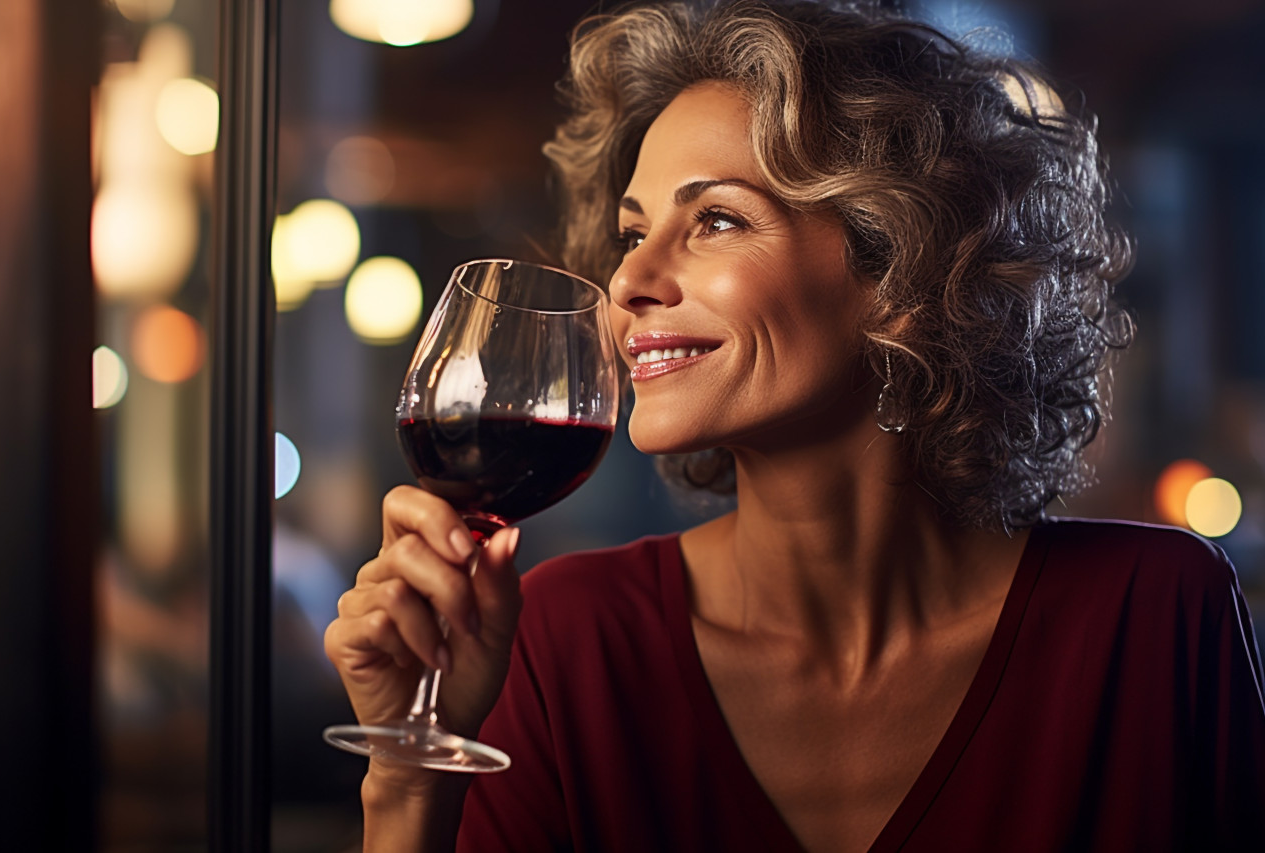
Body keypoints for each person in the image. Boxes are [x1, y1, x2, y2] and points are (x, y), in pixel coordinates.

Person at [324, 1, 1265, 850]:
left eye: (718, 221)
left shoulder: (1156, 614)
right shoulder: (569, 637)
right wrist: (410, 775)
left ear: (903, 278)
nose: (628, 284)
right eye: (631, 232)